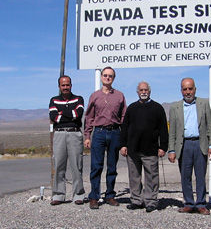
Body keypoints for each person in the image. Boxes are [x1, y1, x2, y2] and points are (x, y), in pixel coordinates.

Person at [168, 77, 211, 215]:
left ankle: (201, 204)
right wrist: (171, 150)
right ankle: (188, 203)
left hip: (200, 144)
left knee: (201, 176)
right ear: (181, 91)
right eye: (185, 89)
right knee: (185, 176)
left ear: (195, 89)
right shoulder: (175, 107)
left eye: (190, 88)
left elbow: (209, 126)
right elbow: (172, 131)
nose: (188, 92)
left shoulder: (204, 103)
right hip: (184, 146)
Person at [120, 82, 168, 213]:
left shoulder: (157, 108)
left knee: (151, 176)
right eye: (141, 90)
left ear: (150, 91)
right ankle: (136, 200)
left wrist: (163, 146)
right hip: (133, 148)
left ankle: (151, 201)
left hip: (151, 149)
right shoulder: (132, 108)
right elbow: (124, 127)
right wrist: (123, 144)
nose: (143, 92)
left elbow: (163, 129)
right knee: (134, 176)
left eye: (146, 89)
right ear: (137, 92)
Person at [84, 67, 127, 209]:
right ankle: (94, 196)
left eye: (110, 76)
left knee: (112, 166)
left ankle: (110, 195)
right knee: (96, 166)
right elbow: (89, 116)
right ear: (101, 77)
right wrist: (87, 135)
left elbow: (124, 117)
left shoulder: (120, 95)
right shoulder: (94, 96)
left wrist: (124, 138)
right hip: (99, 133)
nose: (107, 78)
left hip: (115, 132)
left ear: (114, 78)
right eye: (105, 75)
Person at [49, 75, 85, 206]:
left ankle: (78, 195)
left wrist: (62, 113)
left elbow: (78, 115)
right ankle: (58, 195)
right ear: (59, 86)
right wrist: (70, 114)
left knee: (76, 165)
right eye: (63, 85)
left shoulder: (79, 99)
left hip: (74, 134)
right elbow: (54, 117)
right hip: (59, 135)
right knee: (59, 165)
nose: (65, 87)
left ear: (71, 85)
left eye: (67, 85)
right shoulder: (54, 100)